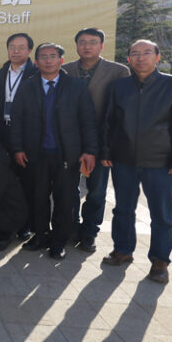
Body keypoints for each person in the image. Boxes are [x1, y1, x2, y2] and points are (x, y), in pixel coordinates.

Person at [101, 39, 172, 284]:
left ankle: (160, 261)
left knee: (161, 215)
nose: (140, 58)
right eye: (135, 53)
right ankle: (122, 250)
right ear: (128, 59)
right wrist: (106, 152)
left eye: (146, 52)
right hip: (124, 160)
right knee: (123, 209)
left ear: (157, 57)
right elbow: (108, 123)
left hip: (161, 163)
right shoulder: (118, 87)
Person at [10, 43, 97, 260]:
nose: (48, 60)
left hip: (67, 154)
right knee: (38, 198)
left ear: (61, 60)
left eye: (52, 56)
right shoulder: (27, 86)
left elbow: (87, 121)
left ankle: (59, 241)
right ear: (36, 62)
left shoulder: (76, 86)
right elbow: (17, 119)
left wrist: (89, 150)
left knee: (64, 200)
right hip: (36, 153)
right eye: (43, 57)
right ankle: (40, 235)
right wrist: (18, 148)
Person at [62, 28, 130, 252]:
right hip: (69, 141)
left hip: (102, 142)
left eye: (92, 42)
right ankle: (71, 227)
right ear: (76, 46)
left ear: (101, 45)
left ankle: (89, 232)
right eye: (82, 42)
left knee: (97, 191)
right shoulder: (65, 70)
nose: (87, 46)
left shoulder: (118, 71)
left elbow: (122, 111)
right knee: (68, 189)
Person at [0, 32, 38, 240]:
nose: (16, 51)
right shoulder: (0, 74)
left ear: (29, 50)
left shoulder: (36, 74)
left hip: (26, 136)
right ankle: (5, 221)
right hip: (3, 131)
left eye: (21, 47)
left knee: (27, 181)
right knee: (4, 179)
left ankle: (25, 224)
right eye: (12, 47)